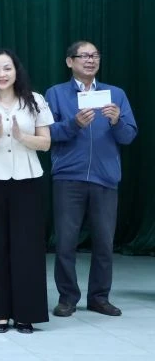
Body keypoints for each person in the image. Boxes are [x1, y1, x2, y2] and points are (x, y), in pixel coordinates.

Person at [46, 41, 137, 318]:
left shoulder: (115, 94)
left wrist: (116, 121)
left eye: (95, 55)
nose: (90, 60)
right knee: (65, 243)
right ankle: (67, 298)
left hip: (105, 178)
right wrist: (74, 124)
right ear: (69, 61)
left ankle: (99, 297)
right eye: (84, 55)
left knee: (104, 243)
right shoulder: (56, 93)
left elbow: (129, 136)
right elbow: (48, 134)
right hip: (68, 178)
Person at [0, 49, 53, 334]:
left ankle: (26, 312)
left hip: (27, 180)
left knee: (27, 246)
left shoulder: (35, 100)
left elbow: (46, 143)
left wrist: (21, 137)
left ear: (16, 71)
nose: (1, 74)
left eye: (6, 68)